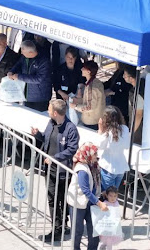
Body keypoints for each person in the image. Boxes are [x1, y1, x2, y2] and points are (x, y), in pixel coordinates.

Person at [31, 99, 80, 242]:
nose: (47, 111)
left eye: (49, 109)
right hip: (50, 169)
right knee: (53, 198)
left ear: (56, 113)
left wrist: (55, 158)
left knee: (61, 199)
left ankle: (59, 228)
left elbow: (72, 149)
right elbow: (47, 139)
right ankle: (59, 226)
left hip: (63, 171)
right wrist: (37, 135)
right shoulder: (51, 123)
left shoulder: (70, 129)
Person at [66, 143, 108, 250]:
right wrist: (99, 203)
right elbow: (85, 189)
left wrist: (103, 192)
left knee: (94, 229)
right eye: (95, 154)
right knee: (77, 230)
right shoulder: (82, 169)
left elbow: (97, 181)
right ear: (88, 154)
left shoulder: (93, 165)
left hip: (91, 202)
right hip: (78, 203)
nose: (96, 156)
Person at [8, 40, 52, 111]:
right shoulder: (24, 57)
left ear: (30, 52)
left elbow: (38, 79)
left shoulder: (44, 61)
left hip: (40, 98)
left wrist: (19, 77)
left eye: (23, 52)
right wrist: (11, 71)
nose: (21, 53)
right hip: (27, 95)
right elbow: (18, 65)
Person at [95, 106, 130, 191]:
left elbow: (98, 146)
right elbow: (127, 146)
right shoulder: (125, 129)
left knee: (107, 194)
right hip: (121, 166)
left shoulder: (108, 132)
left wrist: (100, 130)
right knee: (114, 194)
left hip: (108, 167)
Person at [71, 60, 105, 130]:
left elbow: (89, 107)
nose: (81, 69)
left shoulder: (91, 87)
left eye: (84, 68)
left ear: (88, 72)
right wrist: (79, 101)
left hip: (91, 121)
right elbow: (91, 100)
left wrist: (75, 106)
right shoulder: (97, 82)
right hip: (97, 119)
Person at [122, 65, 144, 144]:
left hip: (138, 130)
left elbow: (139, 114)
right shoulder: (143, 84)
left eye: (125, 75)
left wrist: (131, 132)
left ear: (131, 78)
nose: (123, 76)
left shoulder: (137, 94)